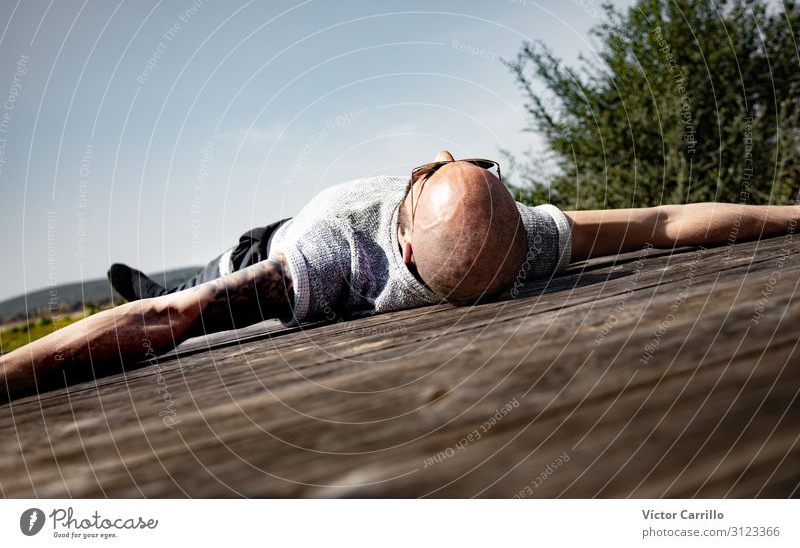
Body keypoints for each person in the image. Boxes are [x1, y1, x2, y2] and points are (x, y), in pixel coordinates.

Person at [1, 150, 797, 402]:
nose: (458, 160)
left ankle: (156, 275)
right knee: (198, 280)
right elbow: (663, 222)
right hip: (288, 233)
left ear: (411, 260)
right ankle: (149, 274)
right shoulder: (520, 242)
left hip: (290, 243)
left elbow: (163, 324)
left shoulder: (507, 242)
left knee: (204, 282)